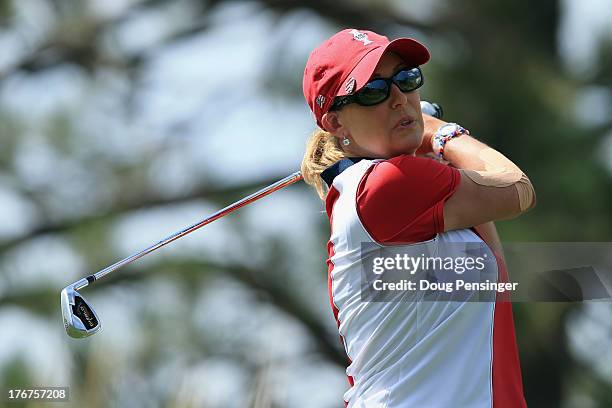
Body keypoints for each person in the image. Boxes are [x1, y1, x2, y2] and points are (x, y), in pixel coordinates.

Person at [300, 28, 535, 407]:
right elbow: (517, 189)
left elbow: (494, 286)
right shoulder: (384, 186)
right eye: (374, 90)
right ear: (336, 123)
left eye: (406, 79)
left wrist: (434, 156)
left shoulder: (385, 192)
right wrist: (442, 133)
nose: (399, 99)